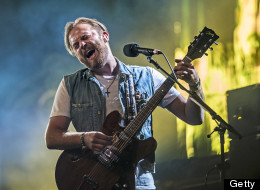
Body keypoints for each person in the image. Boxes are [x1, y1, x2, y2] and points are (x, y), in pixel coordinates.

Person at [45, 17, 205, 190]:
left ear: (105, 36)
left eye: (85, 37)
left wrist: (195, 85)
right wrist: (84, 138)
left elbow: (193, 118)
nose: (81, 46)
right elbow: (52, 137)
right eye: (75, 46)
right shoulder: (71, 84)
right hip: (94, 178)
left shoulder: (148, 77)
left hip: (138, 180)